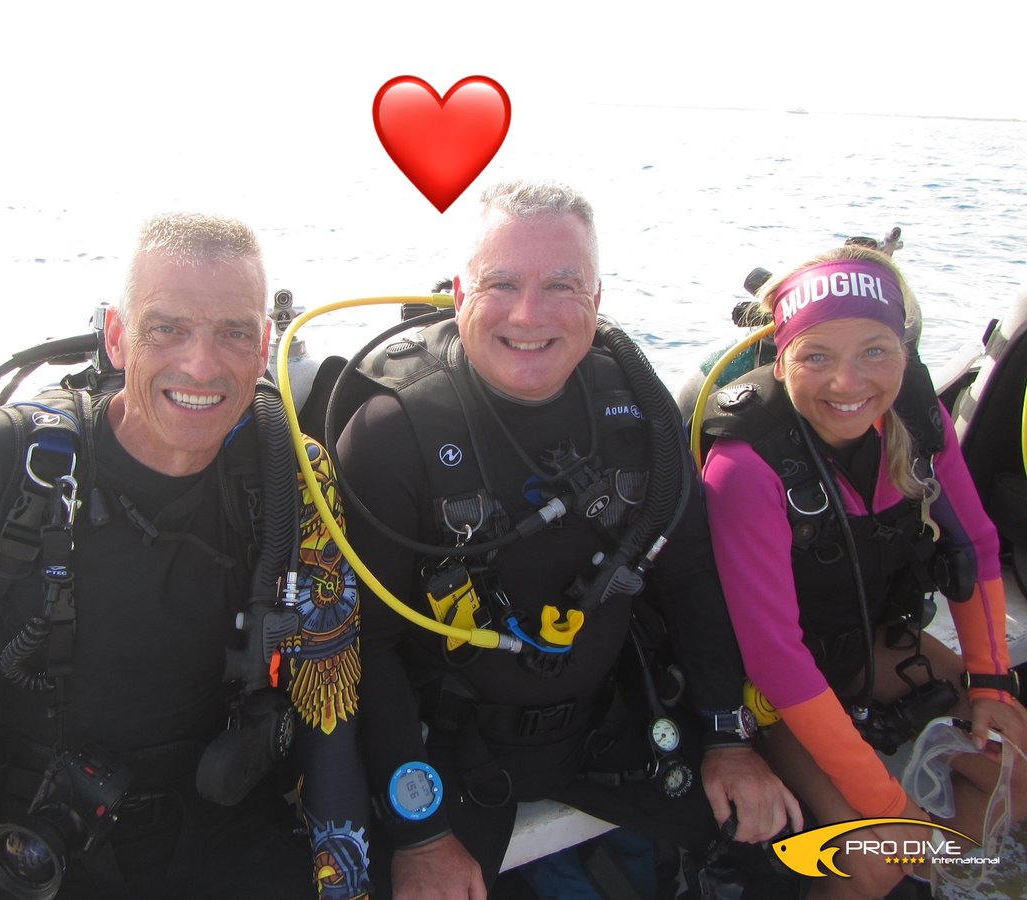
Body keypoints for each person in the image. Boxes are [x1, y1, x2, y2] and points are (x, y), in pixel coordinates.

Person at [0, 213, 371, 899]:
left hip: (215, 825)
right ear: (118, 336)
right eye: (166, 328)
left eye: (233, 332)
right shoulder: (14, 463)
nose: (201, 364)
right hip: (16, 834)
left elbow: (331, 700)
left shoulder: (294, 478)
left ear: (265, 345)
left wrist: (343, 881)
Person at [335, 180, 799, 898]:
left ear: (597, 299)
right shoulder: (394, 430)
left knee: (779, 853)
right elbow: (370, 646)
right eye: (502, 283)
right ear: (460, 292)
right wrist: (418, 831)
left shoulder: (636, 412)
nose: (529, 314)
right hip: (452, 753)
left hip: (607, 727)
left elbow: (691, 581)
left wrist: (728, 736)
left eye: (562, 285)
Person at [701, 244, 1027, 897]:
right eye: (817, 355)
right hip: (766, 693)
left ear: (904, 354)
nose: (847, 384)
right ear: (782, 355)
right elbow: (775, 658)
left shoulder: (918, 416)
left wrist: (992, 685)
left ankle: (938, 878)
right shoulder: (746, 464)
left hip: (867, 643)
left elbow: (979, 547)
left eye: (875, 351)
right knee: (877, 853)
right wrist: (887, 802)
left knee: (1017, 772)